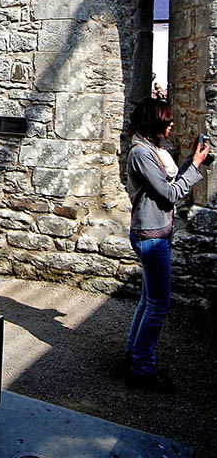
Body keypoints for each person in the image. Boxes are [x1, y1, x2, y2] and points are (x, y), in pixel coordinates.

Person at [124, 97, 210, 391]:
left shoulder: (151, 149)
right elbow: (169, 194)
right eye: (167, 120)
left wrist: (191, 161)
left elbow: (168, 182)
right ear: (155, 123)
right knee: (159, 305)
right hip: (151, 237)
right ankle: (141, 369)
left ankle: (134, 357)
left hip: (155, 233)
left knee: (149, 300)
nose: (172, 124)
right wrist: (194, 166)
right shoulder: (141, 153)